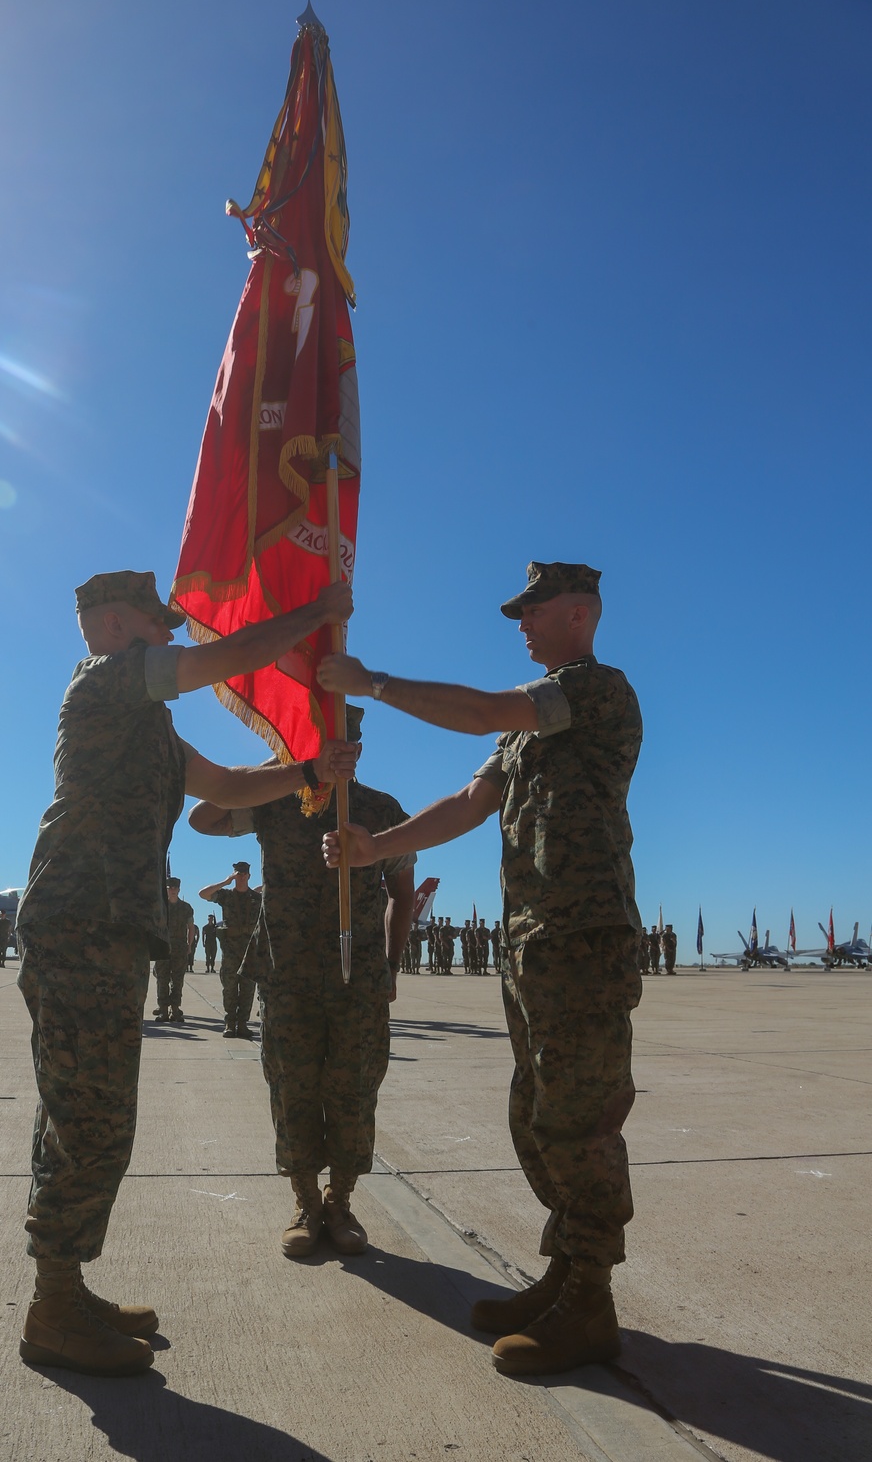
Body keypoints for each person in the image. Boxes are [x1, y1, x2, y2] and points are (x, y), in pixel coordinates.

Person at [14, 567, 354, 1378]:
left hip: (111, 934)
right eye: (156, 622)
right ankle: (53, 1307)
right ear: (110, 623)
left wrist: (310, 774)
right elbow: (218, 661)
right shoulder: (102, 681)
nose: (170, 635)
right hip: (80, 924)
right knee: (90, 1118)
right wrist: (312, 614)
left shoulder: (154, 727)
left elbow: (229, 788)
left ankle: (63, 1286)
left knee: (86, 1114)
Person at [318, 560, 642, 1377]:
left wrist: (375, 683)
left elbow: (482, 710)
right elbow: (469, 802)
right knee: (537, 1117)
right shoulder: (525, 726)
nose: (521, 626)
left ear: (578, 612)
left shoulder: (597, 691)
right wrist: (376, 849)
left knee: (580, 1120)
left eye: (531, 611)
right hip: (534, 940)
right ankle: (567, 1274)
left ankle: (591, 1301)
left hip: (585, 940)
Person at [190, 706, 415, 1259]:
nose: (337, 750)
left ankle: (341, 1201)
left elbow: (402, 892)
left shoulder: (381, 810)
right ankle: (305, 1202)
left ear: (358, 748)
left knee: (354, 1088)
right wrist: (289, 762)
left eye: (342, 742)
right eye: (319, 741)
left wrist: (390, 965)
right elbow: (205, 817)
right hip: (287, 974)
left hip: (356, 975)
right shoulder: (275, 800)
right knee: (292, 1088)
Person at [199, 864, 262, 1038]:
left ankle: (242, 1024)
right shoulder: (226, 896)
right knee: (229, 987)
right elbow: (203, 894)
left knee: (248, 988)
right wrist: (226, 881)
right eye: (238, 874)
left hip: (250, 949)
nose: (241, 877)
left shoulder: (256, 898)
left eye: (244, 874)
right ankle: (229, 1023)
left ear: (249, 876)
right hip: (230, 950)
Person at [153, 879, 195, 1023]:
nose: (172, 890)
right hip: (163, 946)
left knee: (178, 979)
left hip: (179, 947)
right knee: (162, 979)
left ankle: (175, 1009)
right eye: (170, 887)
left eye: (175, 887)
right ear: (166, 889)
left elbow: (191, 927)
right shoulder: (160, 907)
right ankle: (163, 1010)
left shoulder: (186, 907)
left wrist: (190, 945)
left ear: (179, 889)